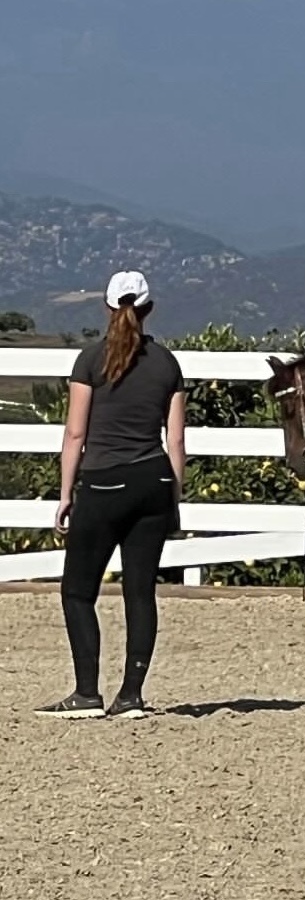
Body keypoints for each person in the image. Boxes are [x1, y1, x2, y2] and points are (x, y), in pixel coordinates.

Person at [34, 270, 186, 720]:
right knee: (140, 592)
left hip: (104, 482)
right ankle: (131, 695)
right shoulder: (167, 364)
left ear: (106, 307)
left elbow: (75, 433)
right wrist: (174, 497)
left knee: (78, 592)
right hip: (154, 481)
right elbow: (176, 440)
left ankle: (86, 693)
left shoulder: (90, 360)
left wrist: (65, 492)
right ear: (149, 309)